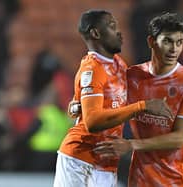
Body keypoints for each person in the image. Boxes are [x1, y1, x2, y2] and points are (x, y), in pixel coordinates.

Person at [53, 9, 172, 187]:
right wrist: (141, 106)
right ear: (95, 33)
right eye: (111, 26)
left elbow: (84, 107)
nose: (119, 31)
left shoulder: (118, 63)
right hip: (81, 159)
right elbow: (93, 122)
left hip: (106, 162)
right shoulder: (92, 69)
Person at [94, 12, 183, 187]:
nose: (174, 49)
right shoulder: (132, 77)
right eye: (167, 41)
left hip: (181, 180)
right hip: (142, 180)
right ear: (151, 42)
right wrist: (82, 104)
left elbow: (179, 138)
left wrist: (131, 145)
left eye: (179, 42)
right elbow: (108, 106)